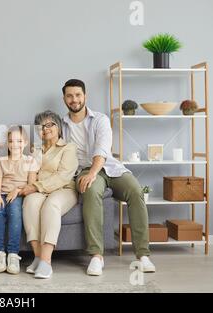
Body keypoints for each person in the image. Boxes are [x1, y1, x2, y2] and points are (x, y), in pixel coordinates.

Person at [61, 79, 156, 276]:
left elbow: (102, 150)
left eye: (78, 95)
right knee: (91, 189)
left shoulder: (100, 119)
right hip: (84, 170)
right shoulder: (61, 125)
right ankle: (97, 256)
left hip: (109, 167)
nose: (74, 99)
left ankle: (143, 255)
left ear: (85, 96)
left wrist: (94, 172)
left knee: (135, 191)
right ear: (64, 99)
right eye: (69, 96)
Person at [20, 110, 79, 279]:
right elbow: (29, 171)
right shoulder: (35, 149)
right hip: (39, 190)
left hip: (64, 189)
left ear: (58, 127)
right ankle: (38, 257)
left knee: (51, 205)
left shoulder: (68, 147)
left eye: (50, 124)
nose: (45, 129)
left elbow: (63, 176)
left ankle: (46, 261)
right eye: (41, 126)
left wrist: (36, 186)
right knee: (30, 202)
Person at [0, 126, 40, 274]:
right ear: (7, 144)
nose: (15, 144)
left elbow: (31, 183)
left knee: (15, 214)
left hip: (19, 194)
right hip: (2, 194)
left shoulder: (30, 160)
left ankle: (12, 254)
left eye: (19, 141)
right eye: (11, 141)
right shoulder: (0, 161)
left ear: (24, 143)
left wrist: (17, 191)